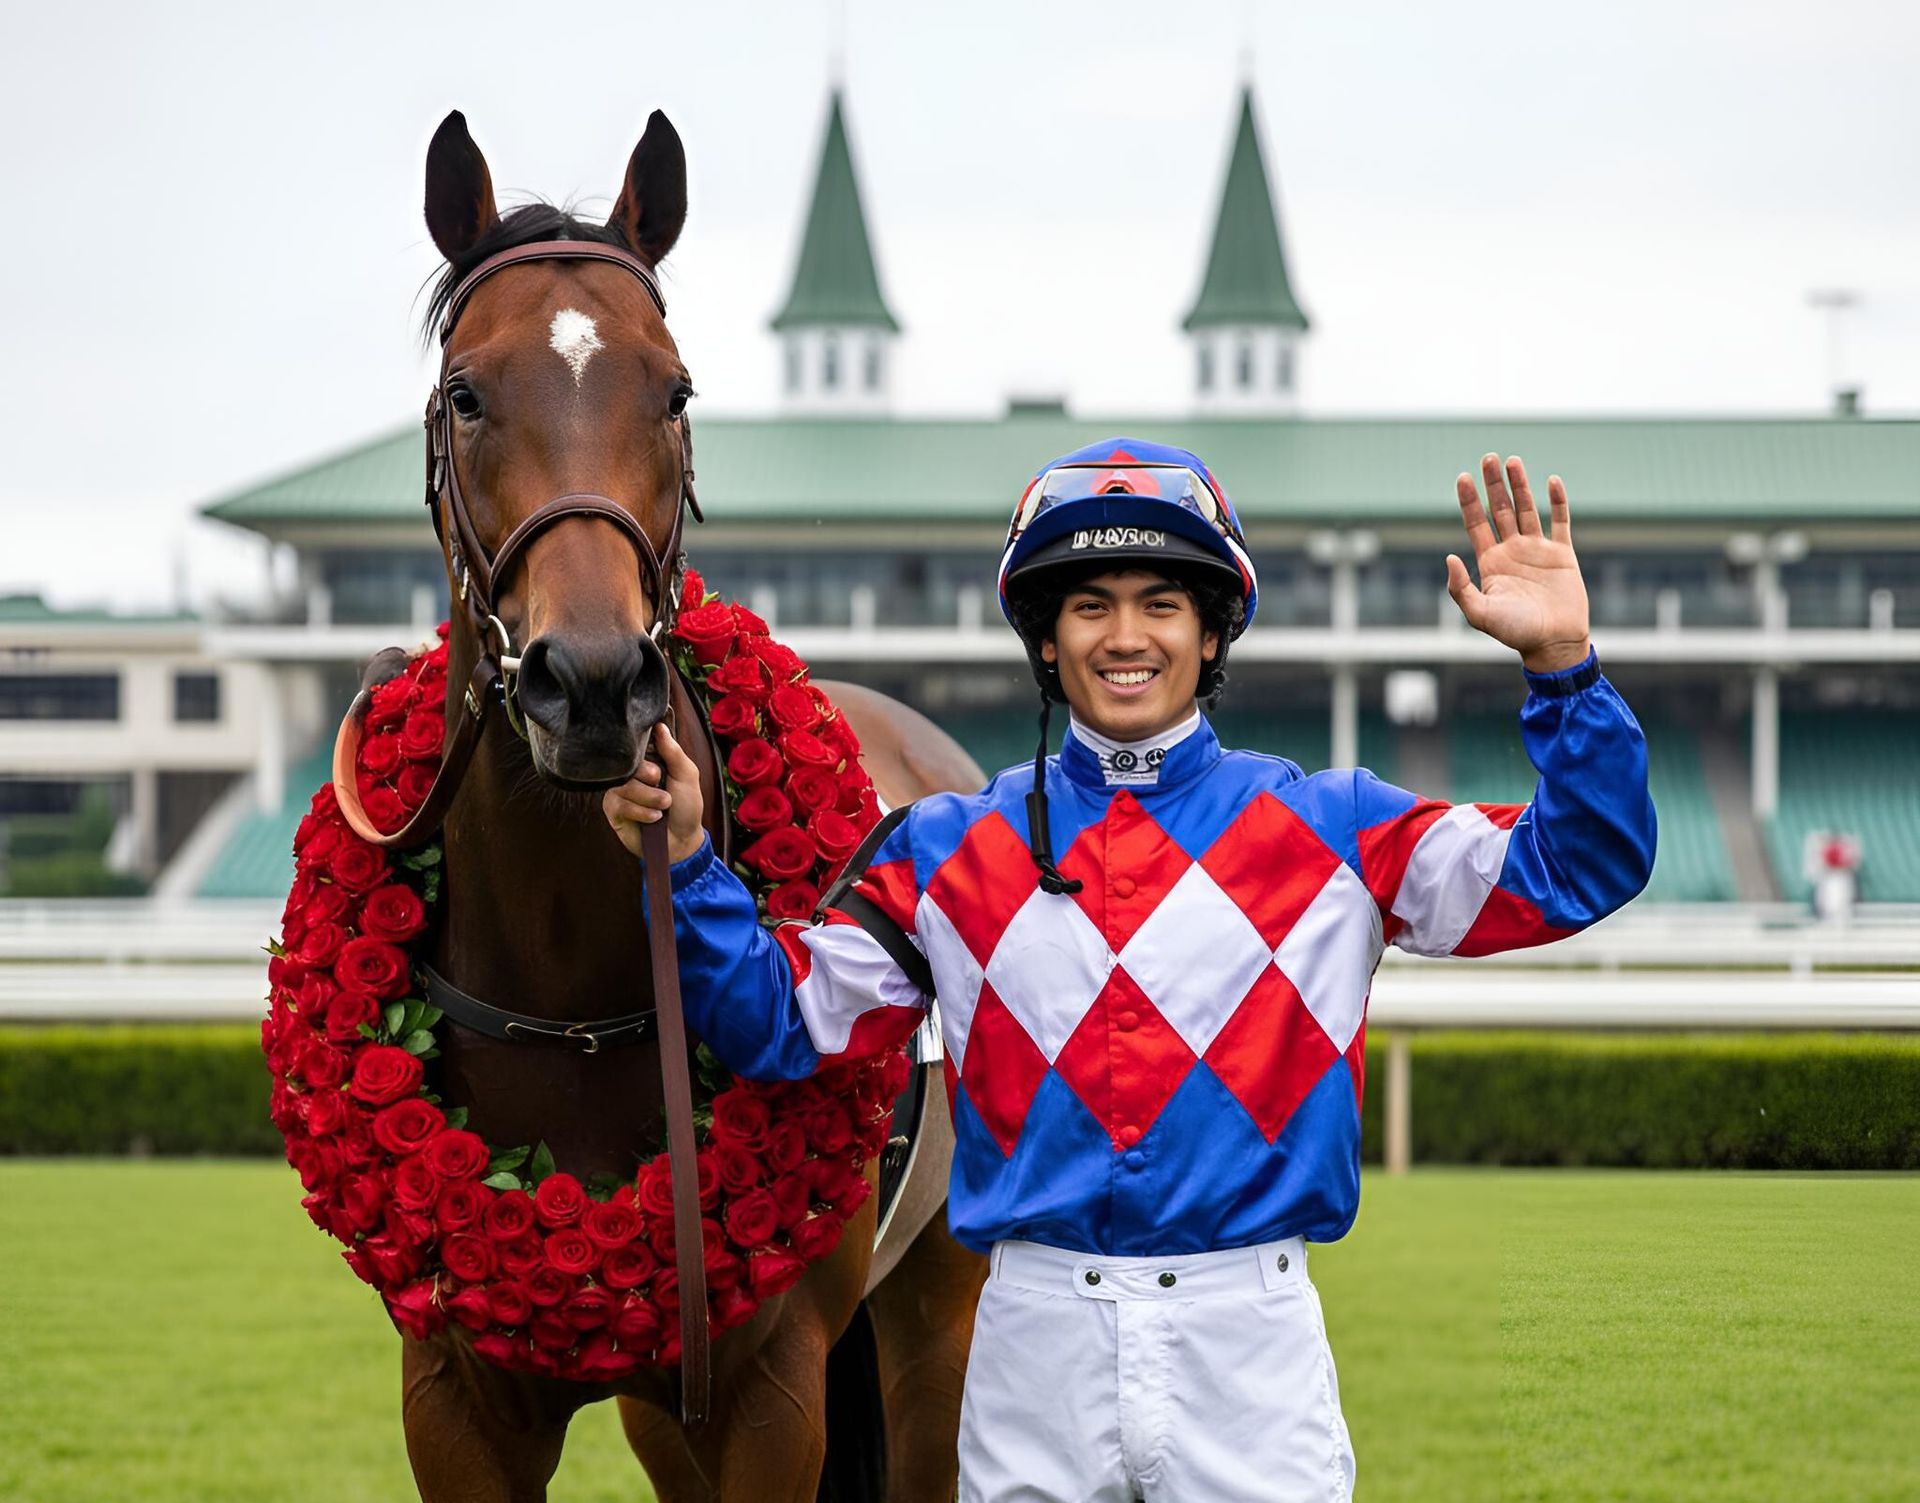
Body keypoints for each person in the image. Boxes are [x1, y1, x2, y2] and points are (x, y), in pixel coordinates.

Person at [604, 440, 1656, 1503]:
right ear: (1047, 642)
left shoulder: (1337, 828)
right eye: (1090, 606)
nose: (1125, 637)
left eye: (1160, 603)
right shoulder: (942, 849)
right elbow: (779, 1024)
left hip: (1250, 1340)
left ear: (1210, 633)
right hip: (1032, 1343)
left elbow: (1579, 866)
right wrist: (688, 864)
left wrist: (1562, 669)